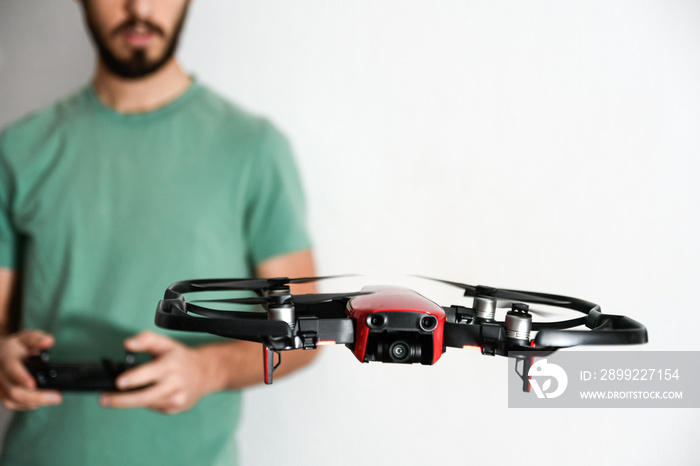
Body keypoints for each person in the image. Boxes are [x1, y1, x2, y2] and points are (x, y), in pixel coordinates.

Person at [0, 0, 318, 464]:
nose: (139, 8)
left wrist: (208, 369)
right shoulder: (18, 151)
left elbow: (305, 332)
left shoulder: (253, 149)